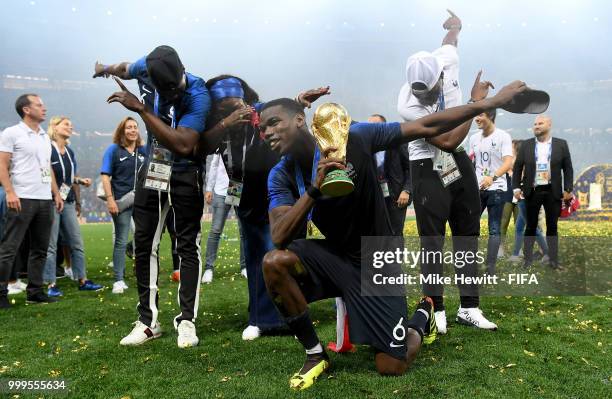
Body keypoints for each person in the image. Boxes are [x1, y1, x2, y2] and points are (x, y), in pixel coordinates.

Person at [260, 80, 526, 389]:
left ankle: (422, 316)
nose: (266, 132)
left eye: (274, 122)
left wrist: (487, 102)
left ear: (299, 119)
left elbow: (426, 125)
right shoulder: (280, 175)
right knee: (274, 261)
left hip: (377, 260)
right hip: (335, 257)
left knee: (391, 365)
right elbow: (279, 235)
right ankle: (315, 353)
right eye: (262, 128)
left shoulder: (356, 136)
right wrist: (314, 190)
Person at [94, 45, 211, 348]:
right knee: (144, 243)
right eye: (162, 89)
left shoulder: (198, 93)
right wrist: (105, 68)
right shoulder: (145, 66)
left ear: (182, 70)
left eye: (171, 88)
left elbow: (185, 144)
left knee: (187, 245)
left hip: (186, 171)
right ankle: (148, 322)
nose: (168, 94)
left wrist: (142, 109)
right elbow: (123, 68)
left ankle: (187, 320)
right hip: (155, 167)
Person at [196, 75, 329, 340]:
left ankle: (292, 314)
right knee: (255, 255)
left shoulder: (258, 110)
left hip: (279, 190)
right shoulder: (216, 124)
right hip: (245, 196)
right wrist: (225, 123)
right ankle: (260, 317)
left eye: (237, 103)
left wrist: (298, 102)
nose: (235, 109)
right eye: (225, 107)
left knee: (285, 250)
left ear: (245, 97)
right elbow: (202, 146)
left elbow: (280, 112)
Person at [397, 10, 497, 333]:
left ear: (441, 73)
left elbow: (450, 40)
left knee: (468, 232)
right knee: (432, 240)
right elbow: (450, 139)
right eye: (420, 93)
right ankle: (435, 308)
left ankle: (469, 307)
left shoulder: (447, 59)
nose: (426, 98)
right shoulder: (407, 105)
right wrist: (474, 102)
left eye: (430, 91)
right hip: (427, 164)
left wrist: (455, 25)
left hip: (458, 162)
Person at [0, 94, 64, 309]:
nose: (44, 108)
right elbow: (2, 164)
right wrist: (9, 192)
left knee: (40, 249)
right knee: (10, 248)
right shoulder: (12, 133)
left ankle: (35, 292)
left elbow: (47, 167)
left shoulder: (45, 136)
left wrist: (55, 193)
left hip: (44, 199)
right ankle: (1, 293)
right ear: (26, 110)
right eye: (39, 105)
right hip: (21, 197)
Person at [42, 116, 101, 297]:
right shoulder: (47, 148)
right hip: (51, 201)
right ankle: (51, 284)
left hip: (66, 202)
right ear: (55, 127)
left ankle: (82, 280)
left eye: (71, 125)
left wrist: (80, 182)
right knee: (51, 245)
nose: (70, 127)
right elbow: (45, 174)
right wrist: (55, 194)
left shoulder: (69, 152)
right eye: (66, 124)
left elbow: (69, 178)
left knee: (77, 242)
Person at [512, 115, 573, 269]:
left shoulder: (561, 144)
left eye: (540, 123)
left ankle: (553, 261)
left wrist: (568, 189)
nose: (536, 126)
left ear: (549, 125)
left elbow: (568, 168)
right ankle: (527, 261)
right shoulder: (526, 145)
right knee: (531, 226)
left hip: (553, 191)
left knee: (552, 227)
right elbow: (518, 167)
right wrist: (516, 188)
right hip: (532, 190)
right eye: (535, 124)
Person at [100, 116, 147, 294]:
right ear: (122, 131)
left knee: (145, 238)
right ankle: (118, 280)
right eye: (129, 127)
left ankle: (143, 272)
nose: (133, 130)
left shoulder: (143, 150)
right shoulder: (113, 150)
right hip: (121, 201)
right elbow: (105, 175)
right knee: (120, 240)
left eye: (135, 127)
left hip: (143, 201)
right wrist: (110, 198)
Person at [468, 109, 513, 275]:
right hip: (478, 189)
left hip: (497, 188)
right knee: (471, 225)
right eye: (476, 115)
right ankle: (470, 261)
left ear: (491, 116)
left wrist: (492, 177)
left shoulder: (503, 136)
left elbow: (508, 162)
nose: (476, 119)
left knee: (494, 229)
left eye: (480, 115)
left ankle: (490, 267)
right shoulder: (473, 138)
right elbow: (471, 161)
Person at [202, 152, 247, 283]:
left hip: (236, 186)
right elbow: (214, 165)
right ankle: (209, 268)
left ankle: (245, 267)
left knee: (243, 230)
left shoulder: (243, 138)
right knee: (215, 230)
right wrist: (209, 188)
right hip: (221, 189)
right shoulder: (221, 140)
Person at [367, 114, 411, 236]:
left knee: (395, 233)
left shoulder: (398, 143)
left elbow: (410, 168)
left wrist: (406, 190)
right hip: (375, 197)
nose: (371, 129)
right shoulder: (366, 146)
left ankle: (395, 256)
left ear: (384, 127)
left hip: (396, 197)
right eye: (368, 126)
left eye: (375, 125)